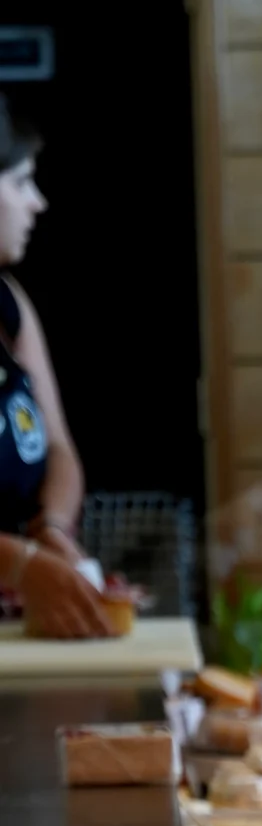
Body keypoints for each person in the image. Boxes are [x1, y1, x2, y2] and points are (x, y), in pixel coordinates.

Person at [0, 96, 114, 638]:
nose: (37, 203)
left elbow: (59, 447)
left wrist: (52, 528)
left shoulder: (10, 305)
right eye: (21, 182)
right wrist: (21, 564)